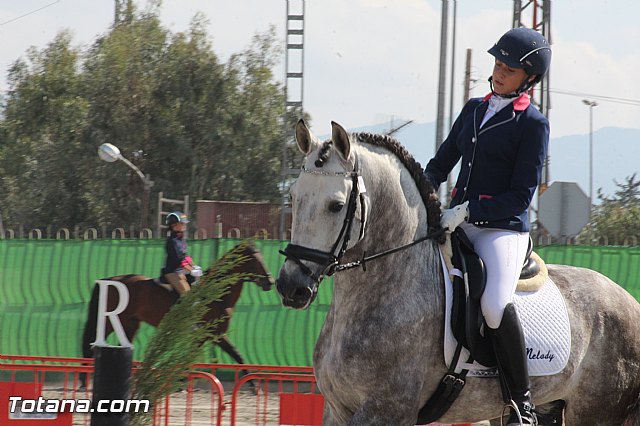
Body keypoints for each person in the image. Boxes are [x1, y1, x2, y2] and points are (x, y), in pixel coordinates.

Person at [423, 27, 551, 426]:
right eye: (497, 64)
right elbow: (440, 165)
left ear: (528, 77)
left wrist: (469, 210)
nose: (499, 72)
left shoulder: (532, 123)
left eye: (509, 69)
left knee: (494, 303)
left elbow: (520, 196)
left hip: (503, 229)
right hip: (457, 223)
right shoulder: (473, 110)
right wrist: (422, 197)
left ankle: (522, 404)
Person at [161, 211, 202, 299]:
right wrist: (191, 270)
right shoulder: (172, 241)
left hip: (180, 271)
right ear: (174, 225)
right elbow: (179, 260)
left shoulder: (180, 239)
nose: (184, 225)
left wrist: (195, 266)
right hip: (172, 272)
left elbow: (185, 256)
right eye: (182, 223)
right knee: (187, 295)